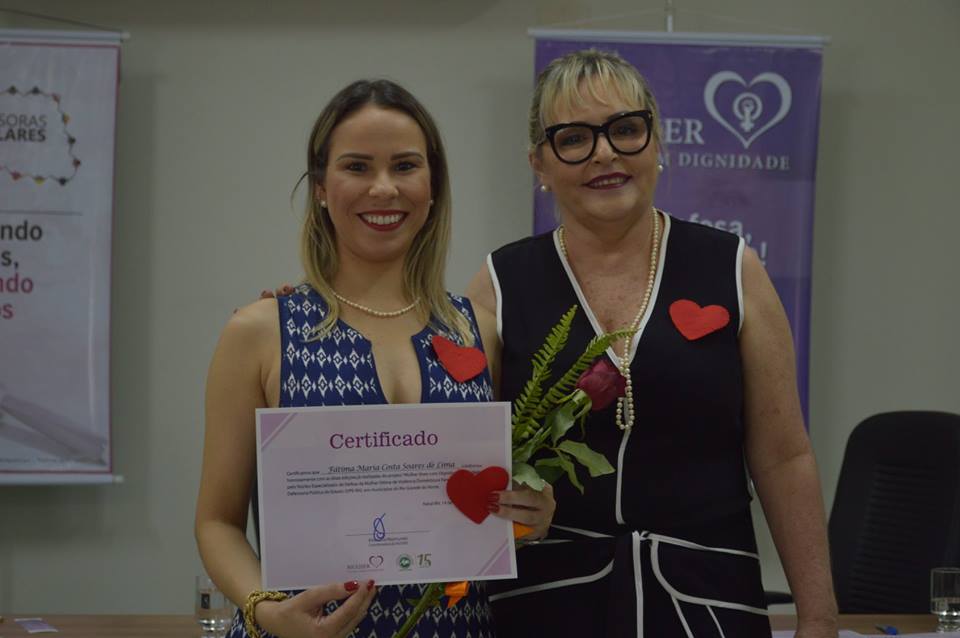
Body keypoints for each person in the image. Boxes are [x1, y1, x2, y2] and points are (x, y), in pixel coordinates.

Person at [466, 49, 839, 637]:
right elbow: (460, 457)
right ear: (539, 162)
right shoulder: (498, 285)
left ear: (656, 140)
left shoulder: (733, 269)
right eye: (574, 138)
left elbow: (783, 456)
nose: (604, 153)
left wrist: (818, 617)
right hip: (548, 607)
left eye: (625, 129)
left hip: (710, 602)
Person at [195, 79, 553, 638]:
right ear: (321, 187)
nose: (383, 188)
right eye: (357, 167)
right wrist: (266, 609)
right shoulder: (260, 332)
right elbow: (217, 522)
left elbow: (492, 509)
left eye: (405, 166)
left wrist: (532, 516)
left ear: (433, 186)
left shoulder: (478, 332)